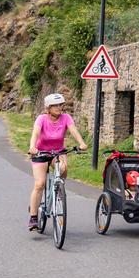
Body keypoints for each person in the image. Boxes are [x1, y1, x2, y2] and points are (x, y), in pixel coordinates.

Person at [27, 92, 88, 231]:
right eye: (55, 105)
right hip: (41, 152)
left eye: (60, 105)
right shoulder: (41, 119)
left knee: (63, 169)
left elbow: (73, 130)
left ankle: (58, 188)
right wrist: (32, 146)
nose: (59, 107)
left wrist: (82, 143)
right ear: (48, 107)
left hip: (58, 152)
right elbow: (35, 133)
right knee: (39, 184)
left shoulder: (66, 118)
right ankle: (33, 217)